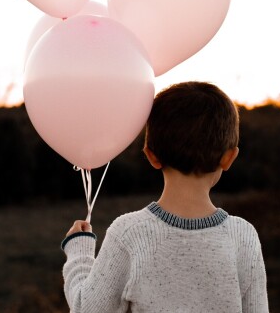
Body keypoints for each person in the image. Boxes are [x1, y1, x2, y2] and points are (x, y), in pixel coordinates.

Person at [61, 81, 269, 312]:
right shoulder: (243, 237)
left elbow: (86, 309)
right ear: (229, 157)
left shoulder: (129, 233)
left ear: (151, 155)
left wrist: (79, 253)